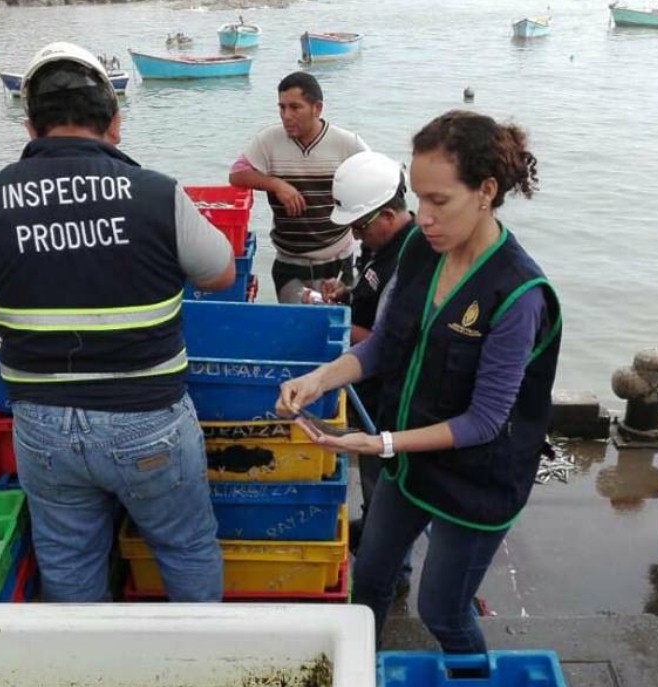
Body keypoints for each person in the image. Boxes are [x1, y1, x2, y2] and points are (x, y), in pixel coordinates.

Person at [0, 42, 236, 603]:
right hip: (148, 420)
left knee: (68, 561)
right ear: (114, 123)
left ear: (30, 126)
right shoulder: (157, 192)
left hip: (42, 426)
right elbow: (219, 274)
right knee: (185, 548)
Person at [275, 110, 561, 654]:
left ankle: (476, 684)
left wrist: (378, 442)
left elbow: (484, 421)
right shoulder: (417, 249)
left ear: (486, 191)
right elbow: (385, 345)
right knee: (371, 581)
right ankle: (364, 673)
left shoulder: (518, 294)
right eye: (419, 198)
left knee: (442, 611)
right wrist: (320, 379)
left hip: (477, 480)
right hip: (411, 462)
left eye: (439, 201)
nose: (422, 217)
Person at [323, 150, 419, 591]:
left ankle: (391, 573)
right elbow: (373, 302)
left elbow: (393, 342)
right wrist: (345, 294)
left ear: (387, 214)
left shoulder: (410, 262)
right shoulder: (381, 249)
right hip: (373, 390)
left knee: (383, 479)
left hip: (391, 398)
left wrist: (339, 329)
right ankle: (375, 532)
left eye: (360, 226)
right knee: (374, 481)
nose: (356, 235)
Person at [229, 71, 369, 304]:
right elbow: (237, 174)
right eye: (282, 108)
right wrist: (275, 184)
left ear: (317, 108)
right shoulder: (269, 140)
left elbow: (382, 181)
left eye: (295, 107)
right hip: (289, 263)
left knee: (336, 328)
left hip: (337, 261)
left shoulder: (348, 144)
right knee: (296, 328)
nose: (286, 116)